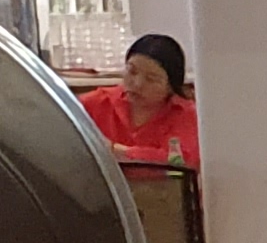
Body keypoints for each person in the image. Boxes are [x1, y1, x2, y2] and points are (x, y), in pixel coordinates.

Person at [81, 32, 199, 171]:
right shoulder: (97, 102)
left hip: (162, 185)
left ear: (171, 86)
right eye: (132, 71)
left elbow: (182, 161)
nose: (137, 84)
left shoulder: (186, 115)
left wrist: (116, 151)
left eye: (151, 79)